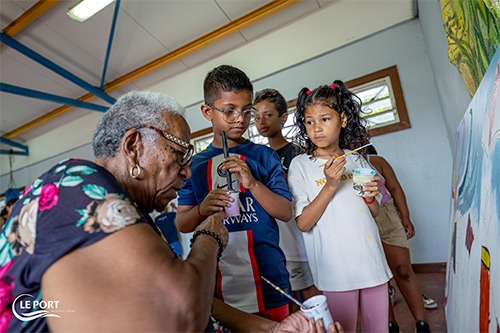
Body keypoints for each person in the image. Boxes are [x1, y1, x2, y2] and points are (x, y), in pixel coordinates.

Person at [0, 90, 343, 333]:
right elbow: (178, 310)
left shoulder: (130, 212)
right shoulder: (75, 186)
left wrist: (270, 329)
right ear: (134, 148)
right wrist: (209, 235)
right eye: (179, 155)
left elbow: (188, 294)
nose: (185, 171)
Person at [176, 65, 294, 322]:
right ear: (208, 111)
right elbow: (182, 224)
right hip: (219, 288)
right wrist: (201, 209)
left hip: (270, 280)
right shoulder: (194, 167)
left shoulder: (264, 156)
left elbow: (286, 212)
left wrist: (252, 184)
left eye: (246, 111)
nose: (240, 119)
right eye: (229, 111)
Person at [288, 81, 393, 332]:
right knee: (341, 328)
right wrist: (330, 185)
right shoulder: (301, 165)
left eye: (325, 119)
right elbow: (303, 223)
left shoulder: (355, 158)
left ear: (343, 119)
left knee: (378, 329)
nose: (316, 128)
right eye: (309, 121)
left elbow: (373, 211)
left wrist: (370, 197)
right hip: (335, 270)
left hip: (372, 262)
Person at [253, 88, 322, 312]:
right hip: (275, 238)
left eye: (268, 114)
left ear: (283, 117)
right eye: (255, 116)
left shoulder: (299, 153)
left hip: (300, 237)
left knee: (312, 293)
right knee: (287, 298)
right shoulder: (257, 157)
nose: (261, 121)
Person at [366, 145, 432, 333]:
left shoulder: (376, 161)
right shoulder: (337, 166)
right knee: (377, 278)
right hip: (361, 220)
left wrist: (405, 217)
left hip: (387, 216)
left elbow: (394, 189)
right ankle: (390, 325)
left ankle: (422, 324)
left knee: (403, 270)